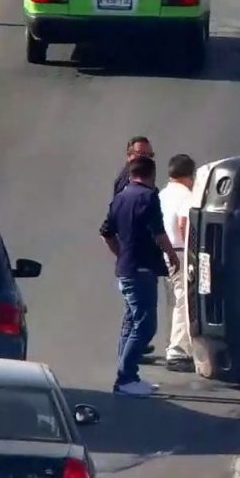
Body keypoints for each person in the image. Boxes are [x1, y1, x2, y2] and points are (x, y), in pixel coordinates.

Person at [100, 155, 180, 397]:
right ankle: (125, 378)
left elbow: (106, 232)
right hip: (142, 269)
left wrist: (120, 254)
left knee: (131, 322)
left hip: (126, 269)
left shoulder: (120, 198)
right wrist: (172, 256)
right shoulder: (148, 197)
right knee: (145, 326)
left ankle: (129, 376)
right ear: (151, 175)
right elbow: (158, 232)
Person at [102, 135, 159, 358]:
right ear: (129, 156)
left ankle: (130, 352)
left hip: (135, 257)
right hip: (136, 259)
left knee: (133, 311)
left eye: (149, 155)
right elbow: (113, 223)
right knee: (137, 314)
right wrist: (123, 253)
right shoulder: (129, 182)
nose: (146, 159)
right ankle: (128, 359)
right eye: (141, 155)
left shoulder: (139, 180)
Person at [158, 154, 196, 371]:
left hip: (163, 252)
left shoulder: (162, 194)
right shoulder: (186, 195)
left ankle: (171, 343)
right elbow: (184, 224)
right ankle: (178, 351)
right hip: (179, 252)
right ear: (189, 175)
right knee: (184, 301)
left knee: (173, 301)